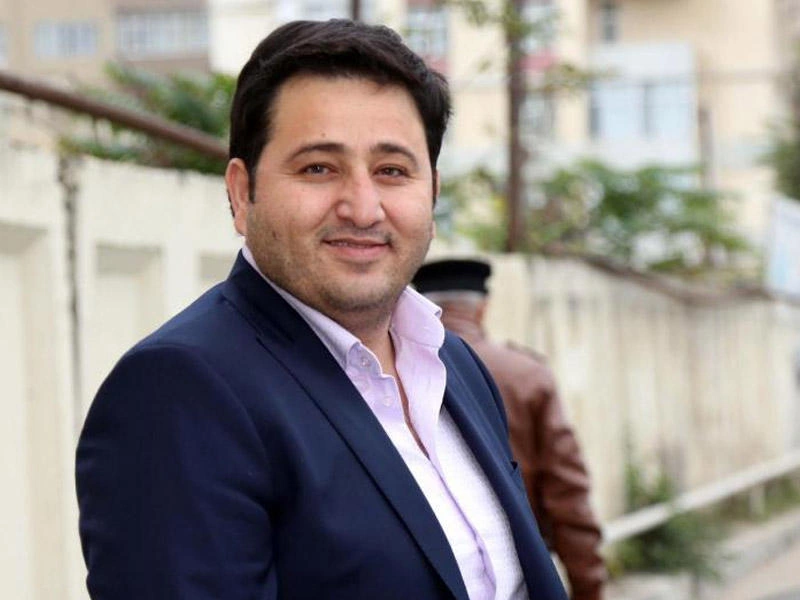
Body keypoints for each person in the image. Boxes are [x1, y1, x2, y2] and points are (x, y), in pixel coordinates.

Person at [75, 19, 567, 600]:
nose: (363, 208)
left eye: (392, 171)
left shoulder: (455, 366)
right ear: (242, 192)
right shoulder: (177, 391)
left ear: (432, 192)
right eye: (318, 168)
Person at [413, 259, 607, 600]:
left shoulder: (382, 372)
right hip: (519, 577)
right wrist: (587, 587)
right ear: (483, 307)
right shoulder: (526, 374)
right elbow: (567, 494)